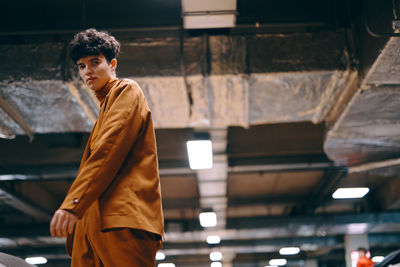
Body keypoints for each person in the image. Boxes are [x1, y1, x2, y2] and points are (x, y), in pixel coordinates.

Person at [49, 28, 164, 267]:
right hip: (94, 224)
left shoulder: (126, 90)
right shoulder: (104, 108)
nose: (87, 71)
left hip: (120, 221)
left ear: (112, 64)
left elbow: (108, 149)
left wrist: (74, 203)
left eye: (94, 62)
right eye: (81, 66)